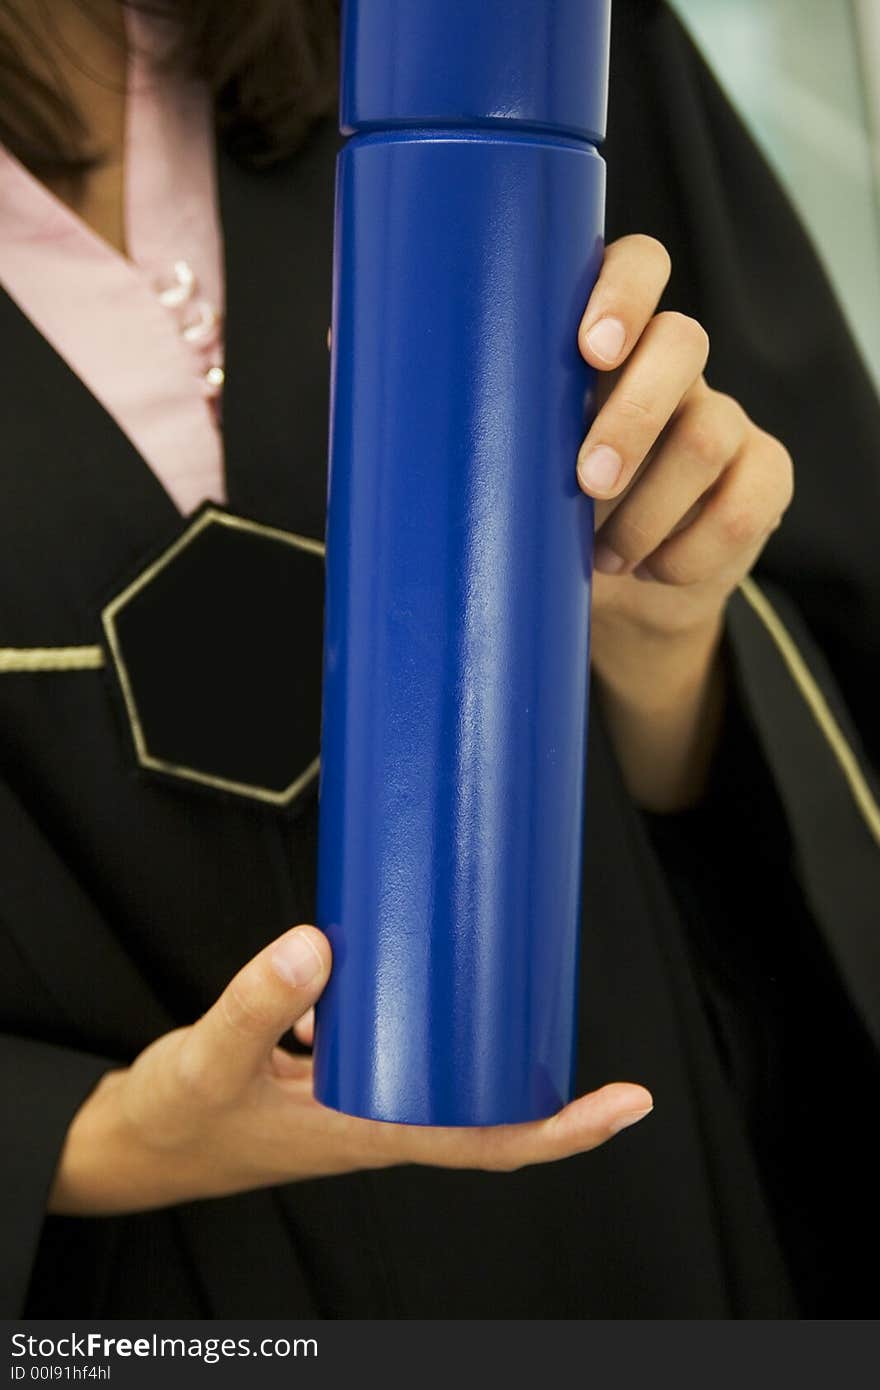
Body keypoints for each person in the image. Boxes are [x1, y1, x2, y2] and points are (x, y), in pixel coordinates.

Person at [1, 0, 878, 1319]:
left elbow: (808, 705)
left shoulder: (519, 32)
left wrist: (664, 632)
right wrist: (100, 1137)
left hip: (619, 1222)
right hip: (138, 1299)